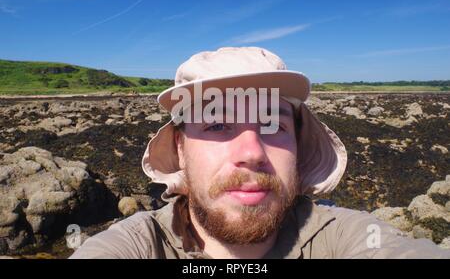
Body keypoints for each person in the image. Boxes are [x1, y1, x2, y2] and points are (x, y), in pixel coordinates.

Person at [70, 47, 449, 259]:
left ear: (298, 148)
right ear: (181, 149)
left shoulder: (345, 238)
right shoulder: (137, 246)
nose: (252, 152)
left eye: (273, 125)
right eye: (217, 124)